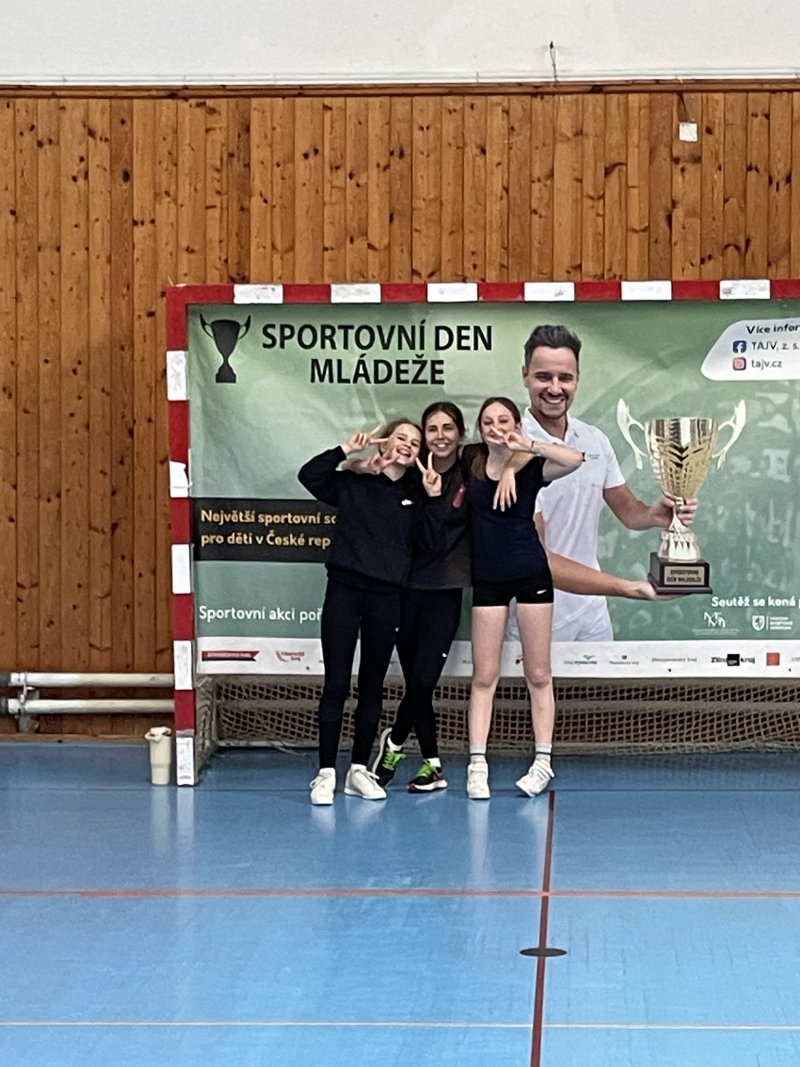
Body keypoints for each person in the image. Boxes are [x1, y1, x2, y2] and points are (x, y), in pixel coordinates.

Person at [519, 323, 698, 642]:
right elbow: (538, 558)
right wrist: (631, 588)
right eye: (544, 377)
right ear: (525, 376)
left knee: (604, 680)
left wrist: (654, 515)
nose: (555, 388)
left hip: (592, 614)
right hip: (534, 614)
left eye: (565, 378)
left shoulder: (594, 439)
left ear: (577, 379)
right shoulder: (513, 449)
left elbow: (629, 512)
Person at [297, 420, 442, 806]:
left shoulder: (417, 493)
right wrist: (346, 452)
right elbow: (309, 476)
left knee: (373, 686)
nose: (408, 445)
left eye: (415, 442)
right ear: (385, 442)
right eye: (401, 437)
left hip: (387, 598)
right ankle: (325, 772)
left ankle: (358, 770)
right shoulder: (354, 481)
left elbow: (429, 543)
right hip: (344, 592)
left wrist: (433, 499)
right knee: (336, 683)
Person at [464, 397, 583, 800]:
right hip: (488, 580)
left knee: (538, 674)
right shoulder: (470, 460)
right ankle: (477, 765)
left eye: (504, 420)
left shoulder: (532, 464)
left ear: (516, 424)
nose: (495, 427)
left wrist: (523, 450)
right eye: (487, 422)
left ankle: (543, 762)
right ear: (480, 429)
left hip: (531, 575)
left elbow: (574, 459)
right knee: (484, 676)